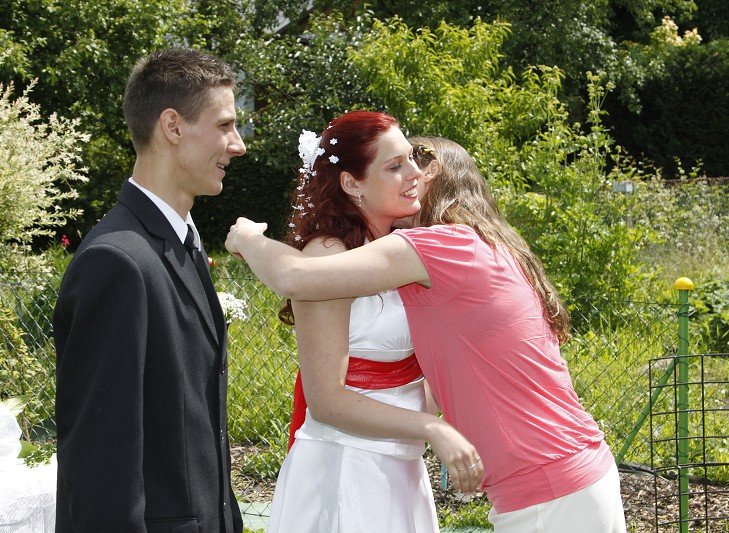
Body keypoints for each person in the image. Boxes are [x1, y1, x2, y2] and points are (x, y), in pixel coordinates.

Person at [225, 136, 628, 533]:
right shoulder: (480, 246)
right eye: (394, 167)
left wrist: (247, 238)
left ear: (433, 176)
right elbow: (446, 388)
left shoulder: (440, 246)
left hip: (548, 492)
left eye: (411, 167)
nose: (407, 179)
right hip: (571, 475)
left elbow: (295, 277)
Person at [52, 47, 247, 532]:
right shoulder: (116, 262)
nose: (238, 145)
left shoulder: (179, 243)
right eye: (225, 125)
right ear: (173, 126)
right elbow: (100, 468)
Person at [263, 112, 482, 533]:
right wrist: (431, 429)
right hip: (346, 467)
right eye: (395, 165)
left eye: (412, 159)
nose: (414, 173)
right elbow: (326, 402)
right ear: (352, 184)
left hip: (401, 464)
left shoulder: (405, 249)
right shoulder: (328, 254)